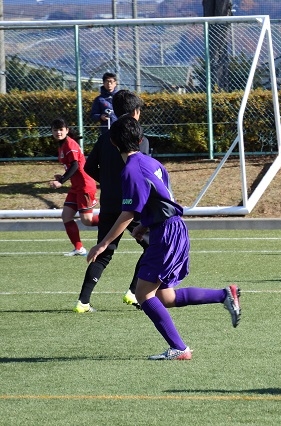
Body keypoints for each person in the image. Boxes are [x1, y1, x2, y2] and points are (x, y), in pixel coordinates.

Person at [87, 116, 241, 360]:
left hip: (166, 234)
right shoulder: (153, 162)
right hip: (172, 228)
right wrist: (144, 227)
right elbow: (162, 196)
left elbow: (129, 211)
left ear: (113, 143)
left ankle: (179, 348)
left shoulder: (130, 170)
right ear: (140, 139)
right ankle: (224, 295)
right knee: (165, 296)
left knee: (143, 294)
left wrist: (103, 243)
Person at [77, 90, 150, 313]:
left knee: (104, 252)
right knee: (152, 246)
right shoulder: (140, 139)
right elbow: (143, 170)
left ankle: (83, 302)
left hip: (109, 203)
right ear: (136, 112)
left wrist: (107, 182)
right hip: (133, 204)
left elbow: (88, 167)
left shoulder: (105, 137)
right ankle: (133, 292)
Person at [48, 118, 99, 256]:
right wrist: (63, 176)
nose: (58, 132)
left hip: (84, 186)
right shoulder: (62, 145)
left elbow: (76, 165)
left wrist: (61, 181)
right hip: (76, 187)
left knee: (87, 221)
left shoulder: (69, 144)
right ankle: (79, 248)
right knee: (66, 216)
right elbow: (71, 166)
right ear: (52, 131)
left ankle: (114, 221)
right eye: (55, 130)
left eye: (61, 129)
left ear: (67, 130)